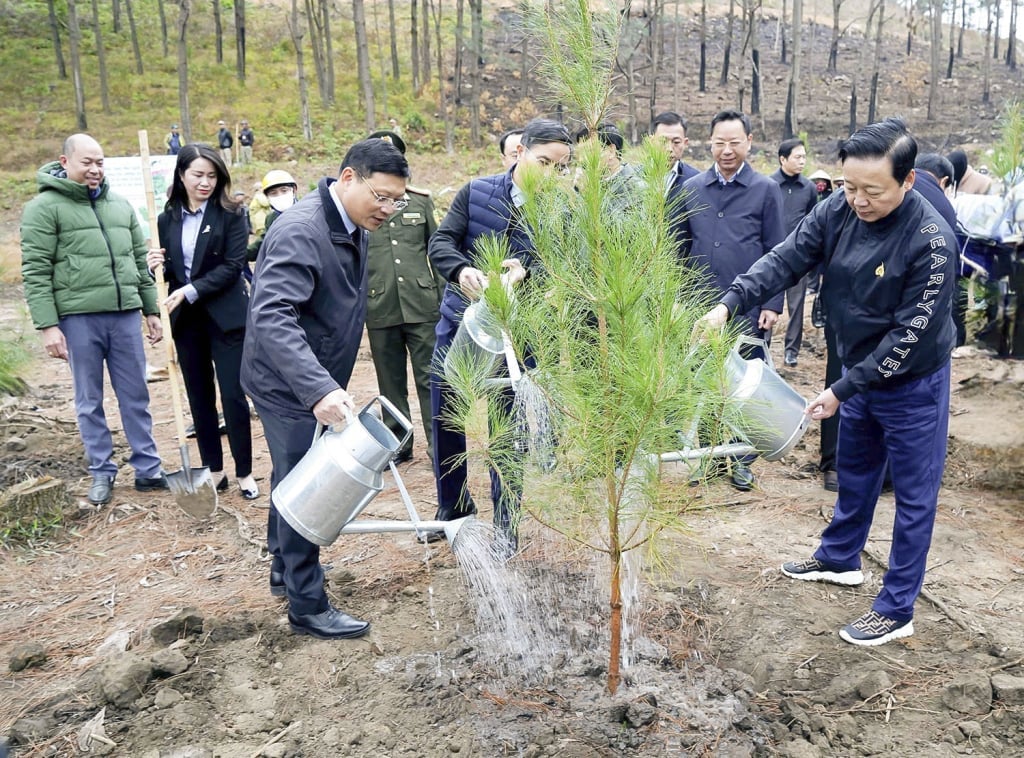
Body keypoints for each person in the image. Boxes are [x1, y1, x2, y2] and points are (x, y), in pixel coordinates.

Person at [698, 118, 956, 646]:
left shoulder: (932, 243)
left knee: (912, 495)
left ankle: (896, 605)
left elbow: (907, 338)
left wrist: (840, 389)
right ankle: (841, 557)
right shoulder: (839, 207)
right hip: (854, 364)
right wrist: (730, 304)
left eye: (872, 191)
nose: (857, 200)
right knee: (854, 468)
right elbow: (789, 256)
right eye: (849, 186)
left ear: (907, 182)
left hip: (911, 382)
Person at [241, 139, 410, 640]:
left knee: (290, 473)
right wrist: (317, 389)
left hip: (309, 374)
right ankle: (306, 604)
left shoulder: (351, 221)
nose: (389, 209)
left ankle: (282, 570)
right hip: (286, 382)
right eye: (381, 196)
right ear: (348, 179)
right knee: (306, 486)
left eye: (397, 200)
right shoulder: (302, 230)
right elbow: (271, 315)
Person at [426, 118, 573, 550]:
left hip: (517, 338)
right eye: (543, 161)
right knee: (445, 420)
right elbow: (441, 244)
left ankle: (506, 527)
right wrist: (461, 269)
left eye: (560, 167)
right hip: (461, 323)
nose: (550, 174)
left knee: (507, 431)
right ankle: (452, 508)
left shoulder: (560, 209)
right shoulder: (476, 192)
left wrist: (530, 274)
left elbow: (564, 270)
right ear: (521, 152)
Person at [20, 134, 168, 505]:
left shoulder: (120, 206)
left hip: (124, 316)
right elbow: (35, 271)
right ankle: (102, 471)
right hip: (77, 318)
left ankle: (148, 468)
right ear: (65, 161)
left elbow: (138, 262)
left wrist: (150, 309)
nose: (95, 169)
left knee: (136, 394)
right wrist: (48, 325)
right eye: (87, 162)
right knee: (89, 399)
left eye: (100, 162)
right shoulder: (44, 208)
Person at [678, 109, 786, 491]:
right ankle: (708, 457)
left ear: (749, 143)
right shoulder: (691, 189)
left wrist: (772, 303)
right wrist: (677, 300)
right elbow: (678, 249)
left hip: (747, 307)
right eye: (720, 142)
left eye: (734, 142)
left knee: (746, 387)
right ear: (710, 143)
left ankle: (741, 459)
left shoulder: (765, 190)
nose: (727, 150)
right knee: (706, 384)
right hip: (700, 307)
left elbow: (778, 251)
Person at [147, 144, 258, 501]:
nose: (205, 183)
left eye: (212, 176)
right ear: (181, 175)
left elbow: (232, 265)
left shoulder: (232, 213)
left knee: (233, 396)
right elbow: (169, 272)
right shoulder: (166, 219)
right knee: (200, 397)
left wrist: (191, 290)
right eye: (197, 175)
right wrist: (153, 266)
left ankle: (244, 471)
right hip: (188, 322)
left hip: (226, 318)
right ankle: (215, 469)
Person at [364, 129, 444, 464]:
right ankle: (399, 444)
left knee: (430, 378)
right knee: (390, 381)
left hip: (422, 304)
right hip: (378, 303)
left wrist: (443, 299)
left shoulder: (419, 201)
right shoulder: (361, 206)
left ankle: (439, 445)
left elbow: (437, 251)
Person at [770, 139, 819, 367]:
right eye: (797, 157)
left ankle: (792, 351)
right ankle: (765, 344)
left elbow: (812, 222)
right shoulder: (768, 185)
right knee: (767, 301)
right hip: (771, 256)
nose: (802, 161)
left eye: (804, 157)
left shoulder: (809, 188)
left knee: (797, 305)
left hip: (798, 256)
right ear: (783, 159)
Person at [247, 170, 298, 262]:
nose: (280, 196)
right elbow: (263, 242)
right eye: (273, 193)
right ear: (267, 197)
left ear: (294, 190)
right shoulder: (271, 218)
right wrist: (240, 253)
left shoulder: (308, 213)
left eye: (284, 190)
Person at [650, 111, 700, 191]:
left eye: (676, 142)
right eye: (663, 141)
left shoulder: (696, 180)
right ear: (651, 142)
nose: (669, 149)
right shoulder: (633, 177)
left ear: (685, 143)